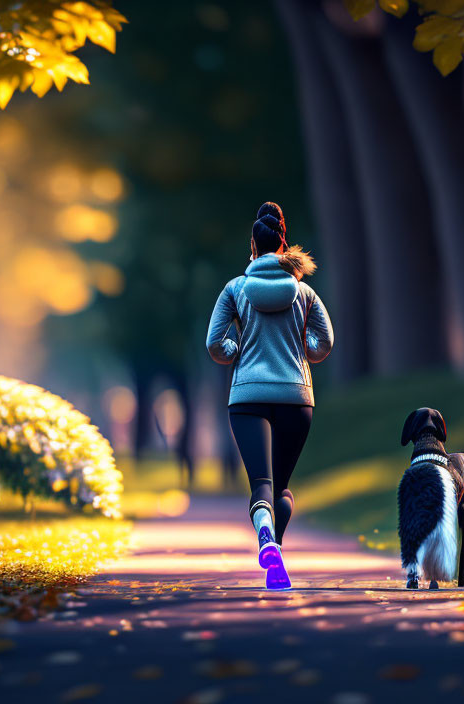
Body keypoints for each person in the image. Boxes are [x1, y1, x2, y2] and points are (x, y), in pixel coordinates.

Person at [206, 202, 334, 589]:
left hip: (247, 399)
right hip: (296, 399)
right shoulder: (305, 293)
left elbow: (215, 344)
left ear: (253, 245)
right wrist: (303, 350)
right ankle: (275, 547)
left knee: (261, 482)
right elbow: (324, 342)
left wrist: (236, 350)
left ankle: (265, 536)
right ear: (283, 244)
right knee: (283, 486)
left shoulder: (235, 289)